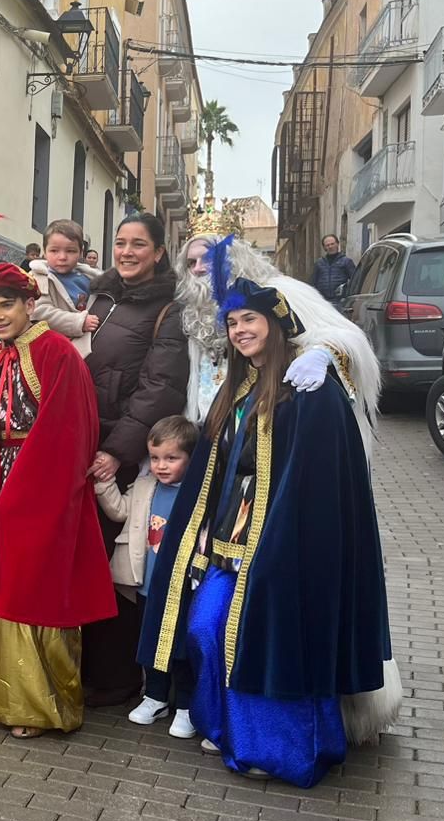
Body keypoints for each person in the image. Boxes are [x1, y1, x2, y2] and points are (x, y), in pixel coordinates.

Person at [139, 276, 400, 787]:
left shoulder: (309, 388)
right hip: (229, 539)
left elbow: (318, 477)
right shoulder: (237, 388)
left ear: (276, 324)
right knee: (204, 627)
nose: (240, 330)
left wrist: (327, 357)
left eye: (250, 320)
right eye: (232, 323)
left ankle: (281, 749)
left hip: (283, 542)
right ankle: (227, 726)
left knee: (267, 639)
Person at [0, 217, 117, 737]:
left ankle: (36, 705)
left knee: (30, 588)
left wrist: (25, 493)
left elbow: (70, 432)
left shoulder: (56, 353)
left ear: (28, 305)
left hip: (42, 486)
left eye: (7, 306)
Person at [80, 213, 191, 709]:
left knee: (114, 565)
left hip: (118, 454)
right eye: (120, 242)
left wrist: (116, 451)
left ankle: (117, 676)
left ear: (159, 252)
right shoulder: (100, 295)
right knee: (86, 558)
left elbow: (159, 388)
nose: (127, 252)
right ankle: (88, 665)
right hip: (85, 440)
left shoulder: (168, 308)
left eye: (138, 244)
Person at [178, 234, 379, 447]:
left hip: (279, 428)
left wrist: (321, 354)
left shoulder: (278, 292)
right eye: (191, 263)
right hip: (220, 436)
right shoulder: (196, 313)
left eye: (207, 259)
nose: (198, 269)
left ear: (233, 258)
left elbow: (348, 336)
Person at [95, 415, 198, 738]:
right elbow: (120, 510)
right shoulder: (145, 486)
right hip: (147, 587)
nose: (161, 466)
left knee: (180, 648)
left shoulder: (197, 493)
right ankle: (155, 696)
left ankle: (186, 706)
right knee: (149, 642)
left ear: (191, 458)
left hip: (181, 589)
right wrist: (103, 483)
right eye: (154, 458)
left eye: (171, 458)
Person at [30, 218, 94, 359]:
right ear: (45, 252)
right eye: (54, 251)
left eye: (70, 251)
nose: (62, 257)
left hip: (87, 347)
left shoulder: (89, 277)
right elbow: (40, 312)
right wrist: (79, 322)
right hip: (52, 349)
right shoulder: (39, 278)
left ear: (81, 252)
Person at [311, 234, 358, 307]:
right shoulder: (319, 263)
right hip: (323, 302)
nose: (330, 247)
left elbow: (355, 281)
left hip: (341, 302)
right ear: (324, 247)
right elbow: (313, 283)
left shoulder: (346, 262)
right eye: (327, 245)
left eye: (332, 244)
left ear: (337, 244)